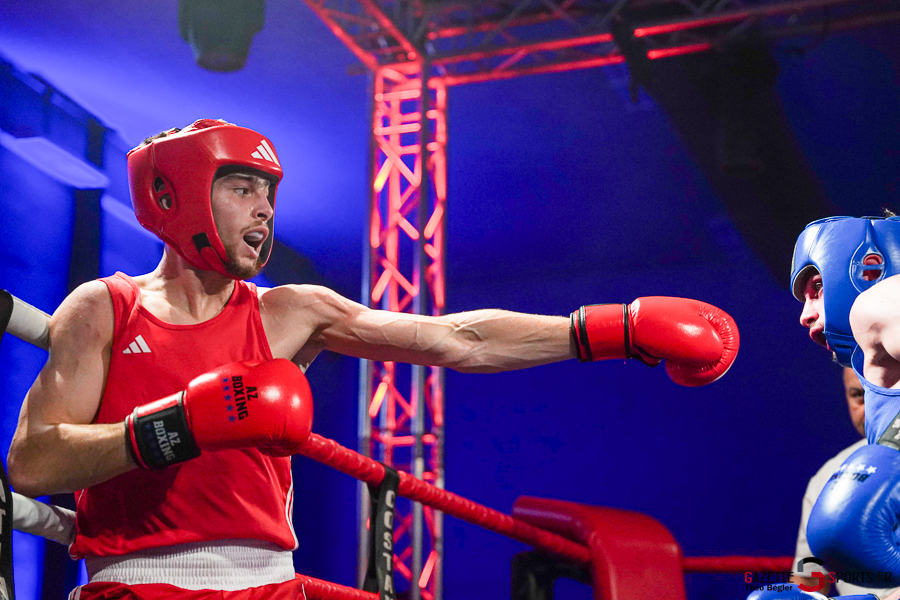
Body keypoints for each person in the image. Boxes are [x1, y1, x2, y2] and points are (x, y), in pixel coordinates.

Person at [5, 119, 739, 599]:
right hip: (135, 586)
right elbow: (32, 464)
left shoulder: (288, 311)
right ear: (174, 193)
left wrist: (605, 330)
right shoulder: (103, 308)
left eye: (268, 192)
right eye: (240, 187)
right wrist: (176, 427)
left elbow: (457, 339)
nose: (263, 209)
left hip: (272, 587)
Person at [753, 215, 900, 600]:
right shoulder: (839, 475)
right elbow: (811, 577)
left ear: (870, 269)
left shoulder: (879, 302)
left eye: (817, 288)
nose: (804, 315)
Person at [791, 367, 880, 596]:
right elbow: (810, 578)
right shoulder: (829, 477)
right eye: (858, 395)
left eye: (882, 392)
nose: (871, 408)